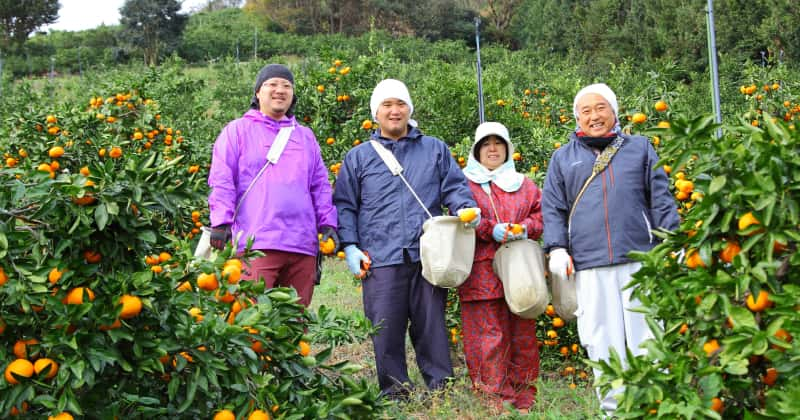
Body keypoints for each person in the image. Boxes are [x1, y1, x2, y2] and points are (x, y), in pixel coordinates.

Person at [333, 79, 481, 399]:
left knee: (431, 326)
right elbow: (345, 205)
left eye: (400, 104)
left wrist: (466, 207)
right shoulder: (358, 157)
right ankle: (395, 390)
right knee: (386, 329)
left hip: (427, 252)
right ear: (376, 113)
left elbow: (453, 188)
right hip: (380, 255)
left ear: (410, 109)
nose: (394, 110)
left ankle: (441, 386)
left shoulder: (434, 149)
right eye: (387, 105)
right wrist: (350, 245)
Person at [542, 83, 679, 415]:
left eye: (600, 108)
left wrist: (671, 242)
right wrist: (557, 248)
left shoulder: (640, 148)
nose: (594, 116)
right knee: (601, 342)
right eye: (586, 111)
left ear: (614, 111)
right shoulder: (563, 157)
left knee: (646, 337)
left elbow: (660, 198)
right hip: (589, 265)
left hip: (639, 259)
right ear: (577, 117)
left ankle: (653, 407)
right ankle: (614, 410)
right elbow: (554, 208)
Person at [207, 63, 338, 307]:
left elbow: (319, 185)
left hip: (301, 243)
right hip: (256, 242)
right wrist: (221, 221)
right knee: (250, 319)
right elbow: (222, 178)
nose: (280, 90)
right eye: (272, 84)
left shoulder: (305, 136)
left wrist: (328, 224)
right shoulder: (237, 131)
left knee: (294, 322)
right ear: (258, 92)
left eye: (286, 85)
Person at [459, 121, 543, 412]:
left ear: (508, 149)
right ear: (476, 151)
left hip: (519, 270)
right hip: (481, 271)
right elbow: (459, 214)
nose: (492, 148)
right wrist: (487, 228)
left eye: (498, 143)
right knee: (487, 337)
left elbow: (540, 216)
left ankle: (523, 395)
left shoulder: (525, 185)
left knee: (522, 334)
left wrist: (524, 228)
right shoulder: (465, 184)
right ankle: (494, 398)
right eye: (485, 143)